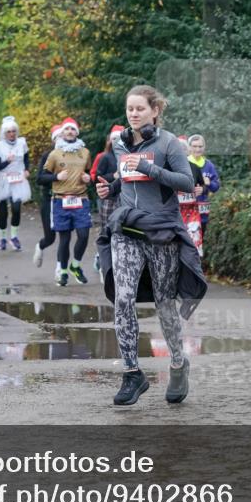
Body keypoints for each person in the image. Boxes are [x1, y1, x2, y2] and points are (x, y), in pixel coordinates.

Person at [96, 85, 207, 406]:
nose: (133, 114)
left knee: (164, 304)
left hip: (161, 232)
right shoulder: (120, 143)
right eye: (130, 109)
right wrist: (112, 188)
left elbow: (186, 183)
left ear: (155, 111)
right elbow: (127, 179)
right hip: (127, 229)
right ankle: (132, 373)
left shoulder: (168, 143)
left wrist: (149, 168)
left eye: (140, 108)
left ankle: (178, 363)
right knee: (123, 298)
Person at [44, 117, 92, 286]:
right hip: (61, 201)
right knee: (64, 239)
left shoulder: (85, 152)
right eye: (67, 129)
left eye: (73, 129)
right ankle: (63, 271)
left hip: (81, 199)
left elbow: (89, 173)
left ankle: (75, 265)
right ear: (62, 132)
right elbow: (42, 177)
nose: (70, 132)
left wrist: (89, 178)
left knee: (84, 235)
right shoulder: (55, 154)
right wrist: (56, 176)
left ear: (77, 132)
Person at [0, 116, 31, 250]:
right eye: (9, 132)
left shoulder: (22, 143)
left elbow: (26, 158)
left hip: (18, 179)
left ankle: (14, 237)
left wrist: (27, 169)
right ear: (4, 133)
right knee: (3, 212)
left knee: (16, 209)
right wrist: (7, 161)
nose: (12, 134)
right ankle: (2, 238)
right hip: (2, 179)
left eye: (14, 131)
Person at [92, 124, 123, 271]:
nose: (117, 141)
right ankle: (101, 258)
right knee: (107, 229)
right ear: (110, 140)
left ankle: (117, 261)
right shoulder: (105, 157)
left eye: (120, 138)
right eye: (114, 139)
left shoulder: (127, 156)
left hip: (124, 199)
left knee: (120, 230)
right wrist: (113, 176)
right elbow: (97, 178)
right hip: (108, 199)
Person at [32, 124, 62, 274]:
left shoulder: (74, 156)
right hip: (49, 200)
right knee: (50, 238)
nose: (61, 139)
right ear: (53, 140)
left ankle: (60, 269)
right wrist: (56, 177)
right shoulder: (47, 155)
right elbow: (39, 179)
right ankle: (40, 246)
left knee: (65, 236)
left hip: (66, 201)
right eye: (58, 137)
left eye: (63, 136)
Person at [186, 134, 221, 244]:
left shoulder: (209, 165)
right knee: (187, 242)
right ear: (189, 147)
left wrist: (207, 186)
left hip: (202, 213)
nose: (197, 149)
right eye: (194, 146)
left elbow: (216, 187)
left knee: (199, 242)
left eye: (200, 146)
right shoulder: (183, 163)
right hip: (185, 212)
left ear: (204, 147)